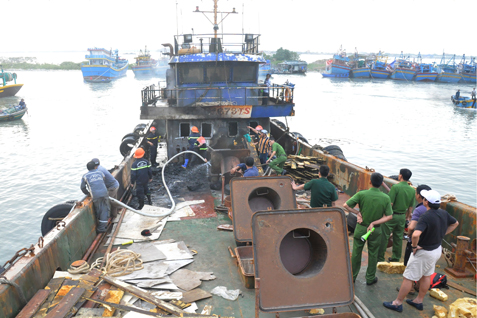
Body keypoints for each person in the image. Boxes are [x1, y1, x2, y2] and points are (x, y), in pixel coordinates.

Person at [383, 189, 458, 313]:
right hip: (436, 250)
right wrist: (440, 234)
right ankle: (418, 301)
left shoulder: (425, 216)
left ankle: (397, 303)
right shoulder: (444, 213)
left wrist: (414, 246)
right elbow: (455, 223)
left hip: (424, 252)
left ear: (426, 202)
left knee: (408, 278)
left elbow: (415, 234)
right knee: (426, 276)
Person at [343, 172, 393, 285]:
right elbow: (389, 216)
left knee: (356, 253)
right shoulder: (385, 198)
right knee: (373, 253)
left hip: (361, 228)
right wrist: (374, 223)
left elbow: (346, 205)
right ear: (381, 184)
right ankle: (370, 278)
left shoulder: (362, 194)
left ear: (370, 182)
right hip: (375, 230)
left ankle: (352, 277)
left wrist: (357, 213)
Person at [378, 168, 415, 263]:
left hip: (392, 215)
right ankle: (395, 258)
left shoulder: (395, 187)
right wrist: (406, 217)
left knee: (384, 236)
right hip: (402, 216)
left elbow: (390, 204)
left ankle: (380, 257)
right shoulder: (412, 190)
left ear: (401, 176)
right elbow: (410, 207)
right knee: (398, 237)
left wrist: (385, 215)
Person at [404, 184, 432, 266]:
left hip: (417, 242)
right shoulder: (434, 209)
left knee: (409, 265)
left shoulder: (419, 209)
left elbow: (411, 228)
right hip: (429, 242)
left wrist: (409, 235)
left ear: (418, 196)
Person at [81, 161, 110, 233]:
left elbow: (82, 187)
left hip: (95, 195)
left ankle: (101, 227)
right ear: (95, 167)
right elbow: (103, 180)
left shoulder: (85, 176)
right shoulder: (100, 173)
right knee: (105, 208)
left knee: (99, 210)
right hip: (104, 192)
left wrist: (88, 193)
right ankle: (102, 226)